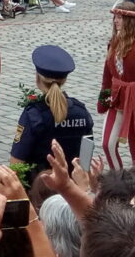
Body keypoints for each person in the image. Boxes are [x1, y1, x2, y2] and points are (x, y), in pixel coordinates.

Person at [10, 45, 93, 179]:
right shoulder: (82, 112)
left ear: (37, 78)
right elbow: (86, 162)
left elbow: (16, 164)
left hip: (40, 187)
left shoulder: (33, 115)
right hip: (73, 187)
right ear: (64, 80)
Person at [99, 0, 135, 170]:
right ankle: (118, 178)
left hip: (134, 100)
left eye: (119, 17)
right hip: (117, 98)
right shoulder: (113, 43)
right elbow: (107, 75)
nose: (115, 21)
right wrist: (103, 99)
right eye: (115, 17)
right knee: (108, 144)